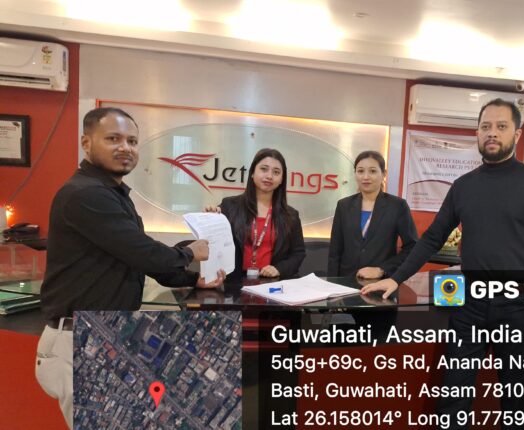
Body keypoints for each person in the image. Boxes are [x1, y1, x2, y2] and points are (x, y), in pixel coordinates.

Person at [362, 98, 524, 430]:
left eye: (501, 126)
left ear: (517, 133)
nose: (492, 133)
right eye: (486, 127)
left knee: (517, 400)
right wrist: (395, 278)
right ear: (477, 133)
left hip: (519, 308)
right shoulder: (463, 186)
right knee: (454, 395)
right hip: (470, 303)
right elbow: (432, 238)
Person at [36, 107, 224, 429]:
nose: (126, 147)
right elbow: (145, 254)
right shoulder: (85, 194)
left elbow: (140, 258)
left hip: (99, 337)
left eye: (133, 141)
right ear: (86, 143)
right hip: (77, 339)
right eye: (113, 139)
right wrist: (190, 252)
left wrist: (194, 279)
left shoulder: (113, 194)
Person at [208, 148, 306, 279]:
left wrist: (279, 269)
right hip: (234, 282)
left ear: (282, 179)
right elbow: (212, 244)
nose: (269, 176)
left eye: (276, 172)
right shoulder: (229, 206)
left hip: (272, 283)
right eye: (264, 169)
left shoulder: (291, 215)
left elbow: (298, 253)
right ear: (252, 173)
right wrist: (210, 218)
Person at [327, 150, 417, 278]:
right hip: (345, 280)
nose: (366, 177)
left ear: (384, 174)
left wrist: (382, 269)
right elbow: (335, 251)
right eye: (360, 171)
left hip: (381, 282)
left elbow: (412, 247)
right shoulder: (344, 205)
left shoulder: (397, 206)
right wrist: (331, 283)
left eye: (373, 171)